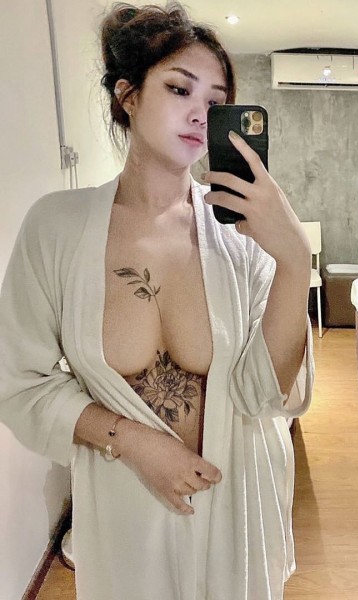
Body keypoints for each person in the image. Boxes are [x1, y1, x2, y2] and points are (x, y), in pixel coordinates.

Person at [0, 3, 313, 599]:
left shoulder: (241, 236)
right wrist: (136, 443)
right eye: (179, 88)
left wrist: (295, 260)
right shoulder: (57, 228)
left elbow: (264, 394)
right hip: (127, 505)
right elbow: (19, 383)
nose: (201, 113)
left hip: (239, 502)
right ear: (128, 96)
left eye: (217, 101)